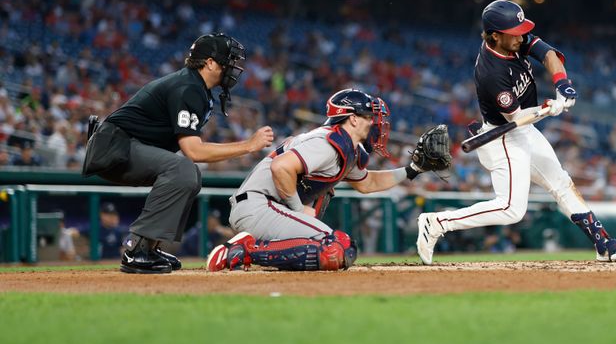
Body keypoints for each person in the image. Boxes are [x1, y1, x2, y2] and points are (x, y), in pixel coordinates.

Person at [416, 0, 616, 264]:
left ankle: (603, 242)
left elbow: (549, 54)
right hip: (503, 137)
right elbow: (516, 117)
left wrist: (562, 84)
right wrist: (547, 109)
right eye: (514, 32)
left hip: (525, 130)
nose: (521, 36)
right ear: (495, 35)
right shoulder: (490, 73)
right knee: (511, 210)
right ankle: (436, 222)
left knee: (561, 183)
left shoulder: (513, 40)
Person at [81, 33, 274, 274]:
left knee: (190, 174)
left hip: (127, 146)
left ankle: (149, 247)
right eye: (229, 61)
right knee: (183, 168)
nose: (233, 68)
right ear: (211, 63)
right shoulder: (188, 87)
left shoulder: (197, 88)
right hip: (113, 146)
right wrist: (248, 145)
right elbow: (193, 150)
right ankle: (136, 249)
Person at [206, 88, 447, 272]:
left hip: (268, 209)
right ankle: (243, 250)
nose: (375, 123)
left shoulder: (346, 146)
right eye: (369, 117)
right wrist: (298, 209)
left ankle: (250, 246)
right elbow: (281, 167)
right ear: (352, 119)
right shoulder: (327, 142)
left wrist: (413, 169)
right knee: (337, 247)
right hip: (259, 206)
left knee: (333, 235)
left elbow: (367, 183)